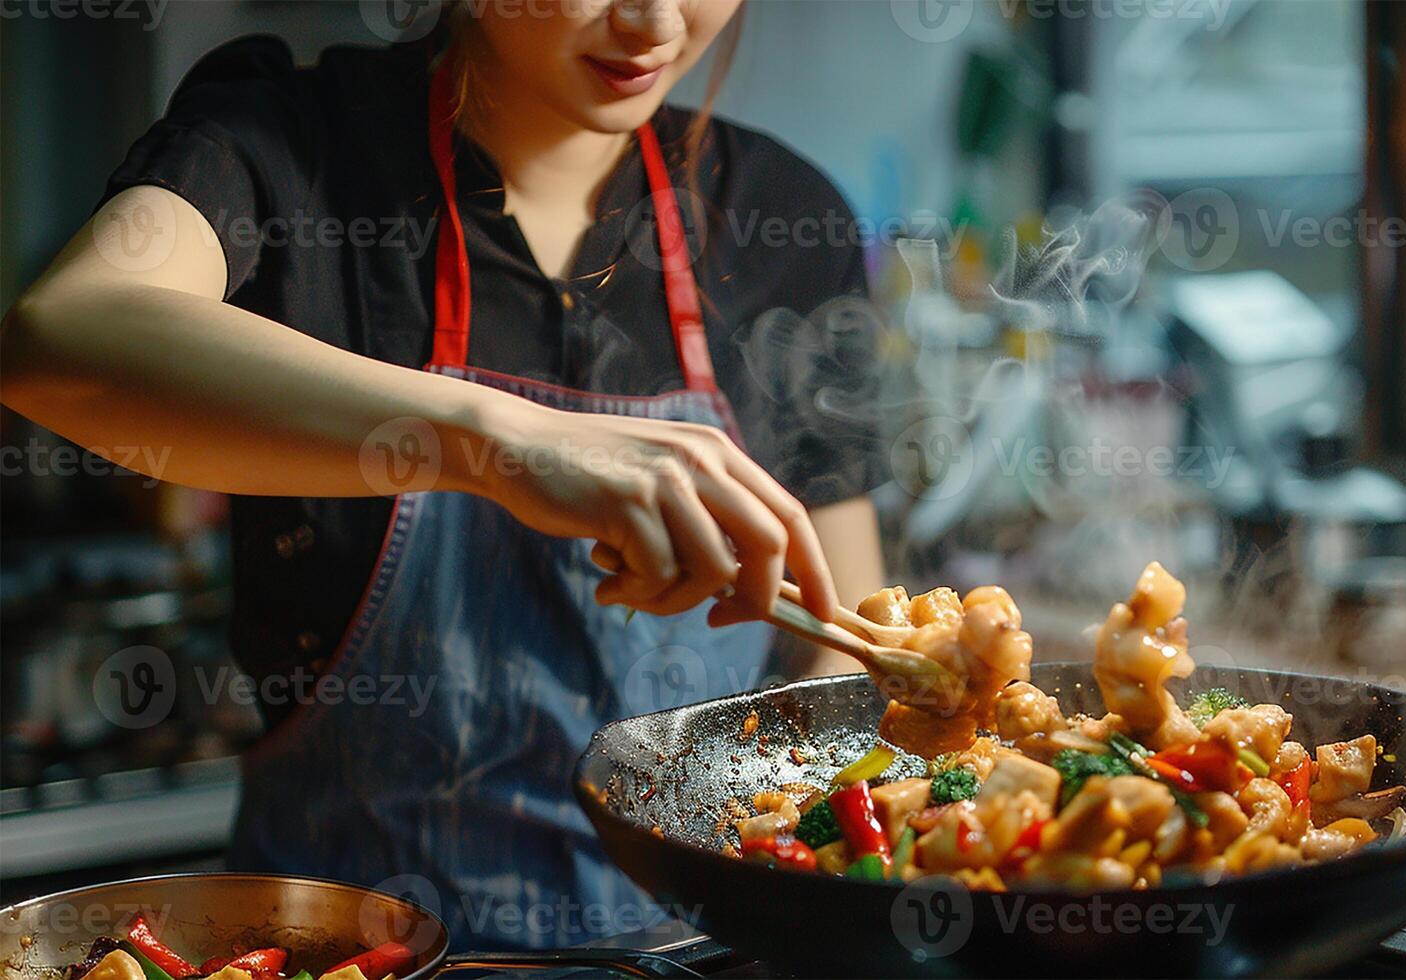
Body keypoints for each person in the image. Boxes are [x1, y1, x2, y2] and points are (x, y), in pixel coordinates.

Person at [2, 0, 887, 949]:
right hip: (346, 954)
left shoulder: (784, 218)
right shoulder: (291, 144)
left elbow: (840, 648)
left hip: (702, 959)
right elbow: (57, 340)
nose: (653, 21)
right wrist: (497, 442)